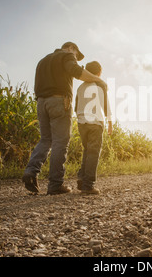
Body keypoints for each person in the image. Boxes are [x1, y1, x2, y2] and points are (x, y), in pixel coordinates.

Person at [22, 42, 107, 195]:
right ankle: (55, 184)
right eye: (76, 55)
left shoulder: (43, 60)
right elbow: (76, 71)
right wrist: (98, 80)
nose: (75, 58)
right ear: (71, 48)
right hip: (58, 101)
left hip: (41, 103)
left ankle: (31, 171)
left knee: (45, 140)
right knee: (60, 142)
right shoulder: (67, 55)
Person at [75, 61, 112, 195]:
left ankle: (81, 177)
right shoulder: (99, 84)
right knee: (93, 152)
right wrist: (110, 123)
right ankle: (88, 185)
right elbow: (105, 105)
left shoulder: (80, 88)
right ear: (99, 73)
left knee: (87, 150)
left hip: (81, 122)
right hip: (95, 122)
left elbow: (76, 106)